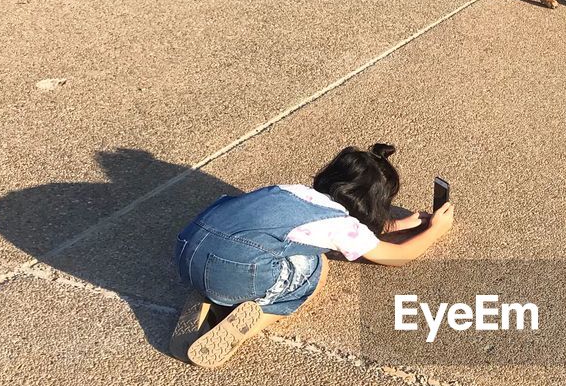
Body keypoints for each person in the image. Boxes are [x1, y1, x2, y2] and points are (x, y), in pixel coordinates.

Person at [169, 143, 454, 368]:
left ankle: (210, 295)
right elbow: (398, 256)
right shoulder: (339, 224)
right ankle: (252, 320)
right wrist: (435, 231)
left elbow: (347, 230)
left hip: (188, 253)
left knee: (260, 246)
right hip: (235, 272)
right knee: (314, 267)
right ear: (374, 203)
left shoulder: (288, 191)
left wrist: (397, 225)